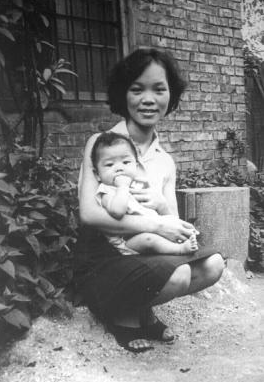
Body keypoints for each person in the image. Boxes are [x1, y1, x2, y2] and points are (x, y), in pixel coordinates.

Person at [74, 48, 225, 353]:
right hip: (105, 256)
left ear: (171, 95)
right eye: (136, 88)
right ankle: (122, 316)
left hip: (145, 253)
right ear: (122, 94)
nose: (148, 99)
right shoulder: (101, 144)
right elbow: (89, 214)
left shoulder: (165, 161)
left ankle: (139, 308)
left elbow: (172, 220)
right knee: (179, 274)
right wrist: (156, 222)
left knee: (213, 265)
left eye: (159, 89)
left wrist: (162, 205)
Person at [91, 131, 198, 255]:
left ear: (136, 166)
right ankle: (179, 250)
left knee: (175, 227)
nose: (119, 168)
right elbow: (117, 212)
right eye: (109, 164)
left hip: (153, 230)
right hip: (128, 241)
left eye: (126, 162)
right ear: (97, 174)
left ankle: (186, 238)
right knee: (149, 239)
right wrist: (122, 187)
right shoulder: (106, 191)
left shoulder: (138, 185)